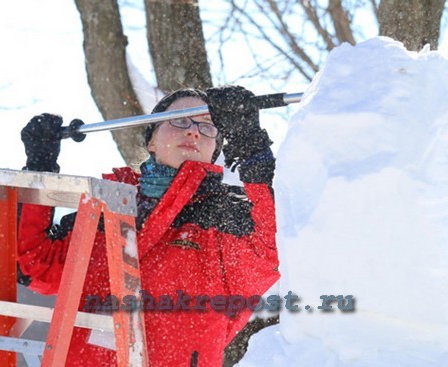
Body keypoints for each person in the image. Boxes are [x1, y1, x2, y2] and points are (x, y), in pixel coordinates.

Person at [17, 85, 279, 366]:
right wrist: (39, 168)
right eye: (180, 120)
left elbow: (276, 250)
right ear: (151, 140)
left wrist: (251, 145)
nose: (193, 131)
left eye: (208, 127)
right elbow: (34, 263)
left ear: (214, 150)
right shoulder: (108, 203)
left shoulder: (228, 215)